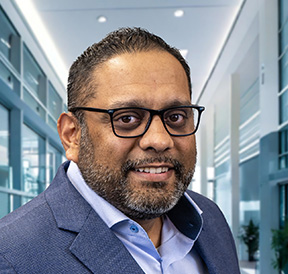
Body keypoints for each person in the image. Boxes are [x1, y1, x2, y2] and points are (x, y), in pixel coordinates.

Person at [0, 27, 240, 273]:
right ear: (72, 135)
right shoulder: (10, 254)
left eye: (176, 116)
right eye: (127, 119)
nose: (159, 140)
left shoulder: (210, 218)